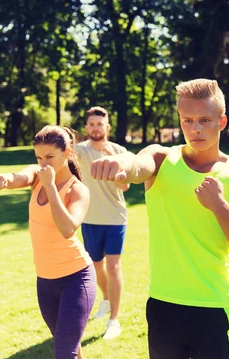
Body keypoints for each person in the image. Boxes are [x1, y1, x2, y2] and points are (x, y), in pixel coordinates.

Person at [90, 78, 229, 359]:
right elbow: (137, 164)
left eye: (204, 120)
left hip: (213, 306)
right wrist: (118, 164)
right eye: (187, 120)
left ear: (221, 122)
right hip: (163, 305)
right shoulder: (161, 159)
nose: (195, 129)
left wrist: (219, 205)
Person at [0, 125, 96, 359]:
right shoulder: (38, 175)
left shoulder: (78, 191)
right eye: (38, 157)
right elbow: (19, 178)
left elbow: (67, 229)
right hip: (46, 282)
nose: (43, 163)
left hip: (77, 279)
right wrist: (3, 179)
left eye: (49, 157)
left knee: (63, 352)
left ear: (66, 153)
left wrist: (50, 186)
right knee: (70, 347)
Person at [76, 106, 130, 340]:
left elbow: (125, 186)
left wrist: (113, 163)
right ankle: (106, 300)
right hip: (89, 219)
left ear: (107, 127)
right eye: (92, 124)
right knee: (96, 267)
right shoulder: (78, 151)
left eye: (101, 124)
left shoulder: (119, 151)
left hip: (115, 218)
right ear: (86, 127)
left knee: (114, 267)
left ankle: (114, 320)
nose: (96, 128)